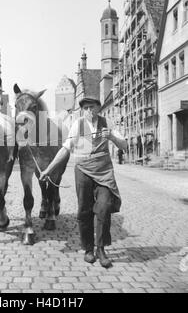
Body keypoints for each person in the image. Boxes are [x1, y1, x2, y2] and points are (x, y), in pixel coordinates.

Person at [39, 96, 127, 268]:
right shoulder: (77, 125)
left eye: (91, 107)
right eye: (85, 108)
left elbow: (123, 145)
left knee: (104, 207)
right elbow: (65, 149)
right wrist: (48, 170)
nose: (88, 111)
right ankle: (88, 249)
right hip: (83, 171)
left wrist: (112, 138)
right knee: (84, 210)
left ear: (98, 107)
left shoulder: (107, 123)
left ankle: (101, 249)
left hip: (103, 171)